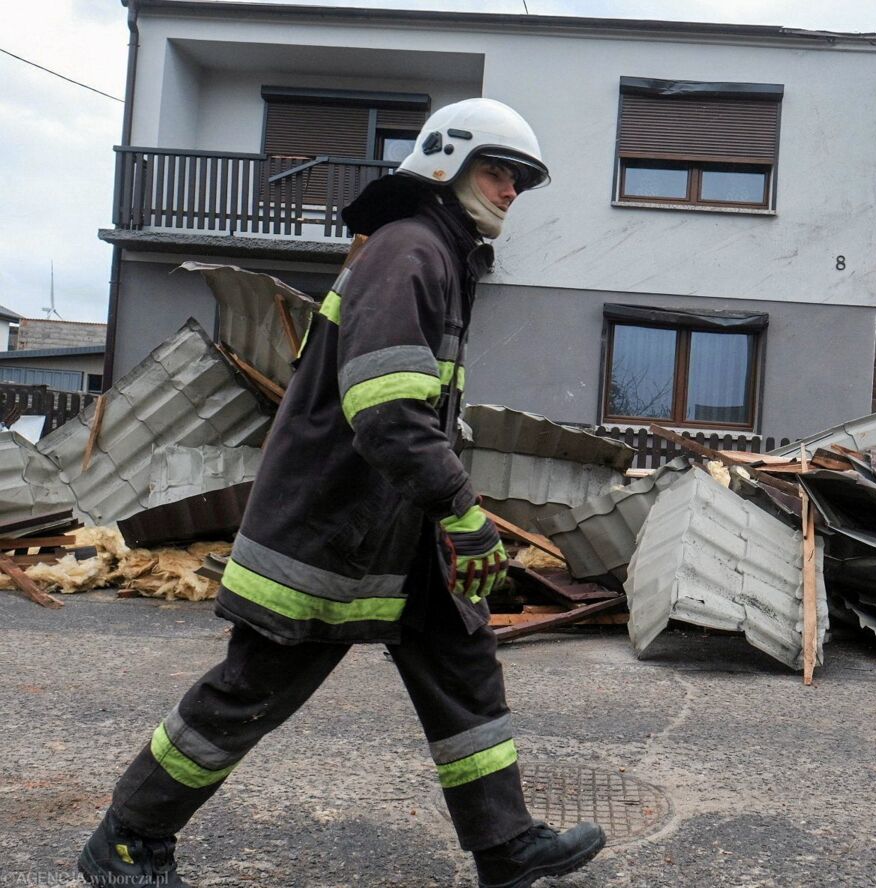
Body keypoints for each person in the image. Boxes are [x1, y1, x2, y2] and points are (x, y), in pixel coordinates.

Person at [78, 98, 606, 887]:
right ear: (447, 164)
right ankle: (127, 838)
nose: (511, 192)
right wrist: (461, 511)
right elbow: (386, 411)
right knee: (252, 690)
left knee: (463, 668)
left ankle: (505, 848)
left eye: (521, 181)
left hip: (390, 528)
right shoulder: (410, 251)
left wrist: (440, 506)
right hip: (329, 530)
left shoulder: (439, 254)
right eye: (500, 172)